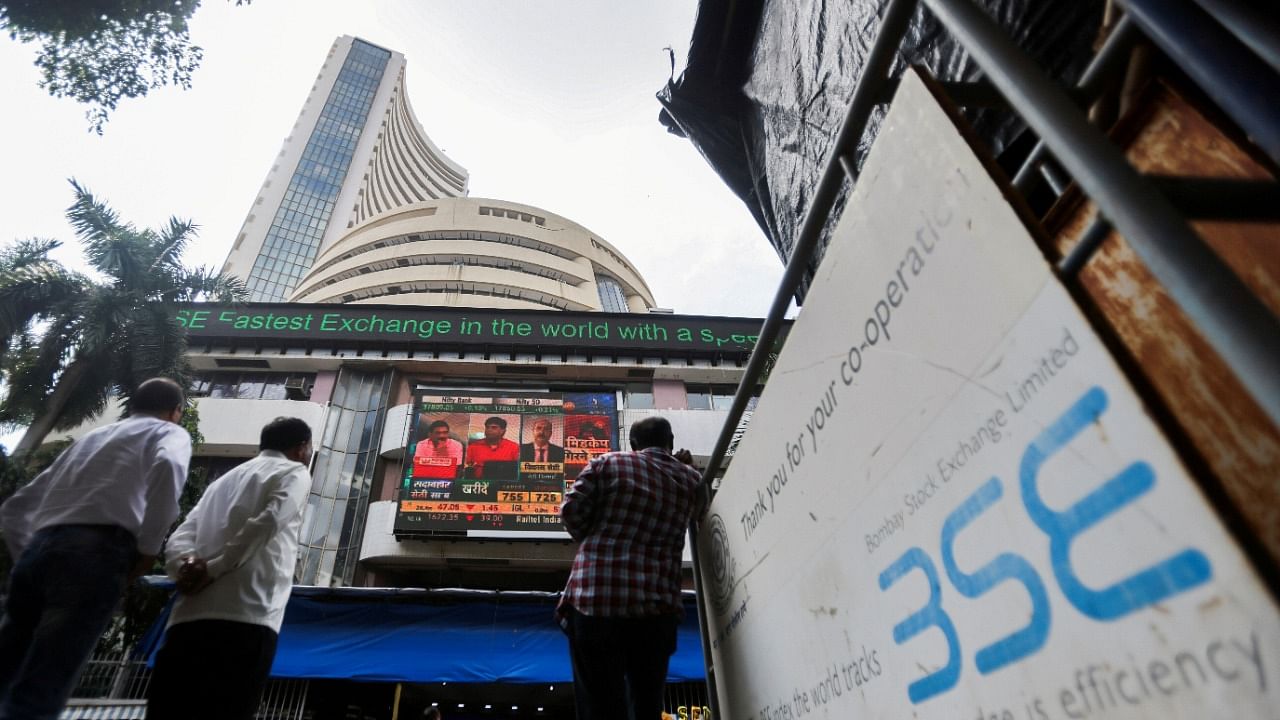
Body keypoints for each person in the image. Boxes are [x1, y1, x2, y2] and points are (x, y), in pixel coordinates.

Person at [0, 377, 191, 720]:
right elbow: (169, 466)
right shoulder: (168, 433)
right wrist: (148, 551)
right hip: (96, 553)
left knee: (7, 662)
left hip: (38, 549)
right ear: (175, 412)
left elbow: (15, 509)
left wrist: (28, 557)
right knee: (44, 681)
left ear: (133, 406)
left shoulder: (92, 439)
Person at [146, 417, 313, 720]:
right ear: (302, 448)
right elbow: (270, 520)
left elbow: (181, 537)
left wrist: (184, 569)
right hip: (247, 618)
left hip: (187, 619)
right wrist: (213, 568)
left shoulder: (221, 482)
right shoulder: (295, 472)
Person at [556, 416, 704, 720]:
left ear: (633, 445)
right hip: (656, 611)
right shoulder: (691, 480)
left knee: (599, 706)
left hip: (595, 602)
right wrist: (687, 468)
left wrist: (599, 540)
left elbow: (571, 511)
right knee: (647, 705)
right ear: (671, 442)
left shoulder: (606, 464)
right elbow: (701, 510)